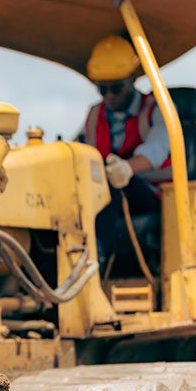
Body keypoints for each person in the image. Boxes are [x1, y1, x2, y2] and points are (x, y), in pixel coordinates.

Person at [77, 35, 171, 262]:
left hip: (153, 195)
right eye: (103, 89)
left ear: (133, 78)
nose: (109, 96)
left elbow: (157, 150)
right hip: (107, 193)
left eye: (116, 88)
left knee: (112, 185)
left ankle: (94, 259)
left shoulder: (156, 109)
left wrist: (127, 169)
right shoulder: (94, 115)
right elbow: (78, 148)